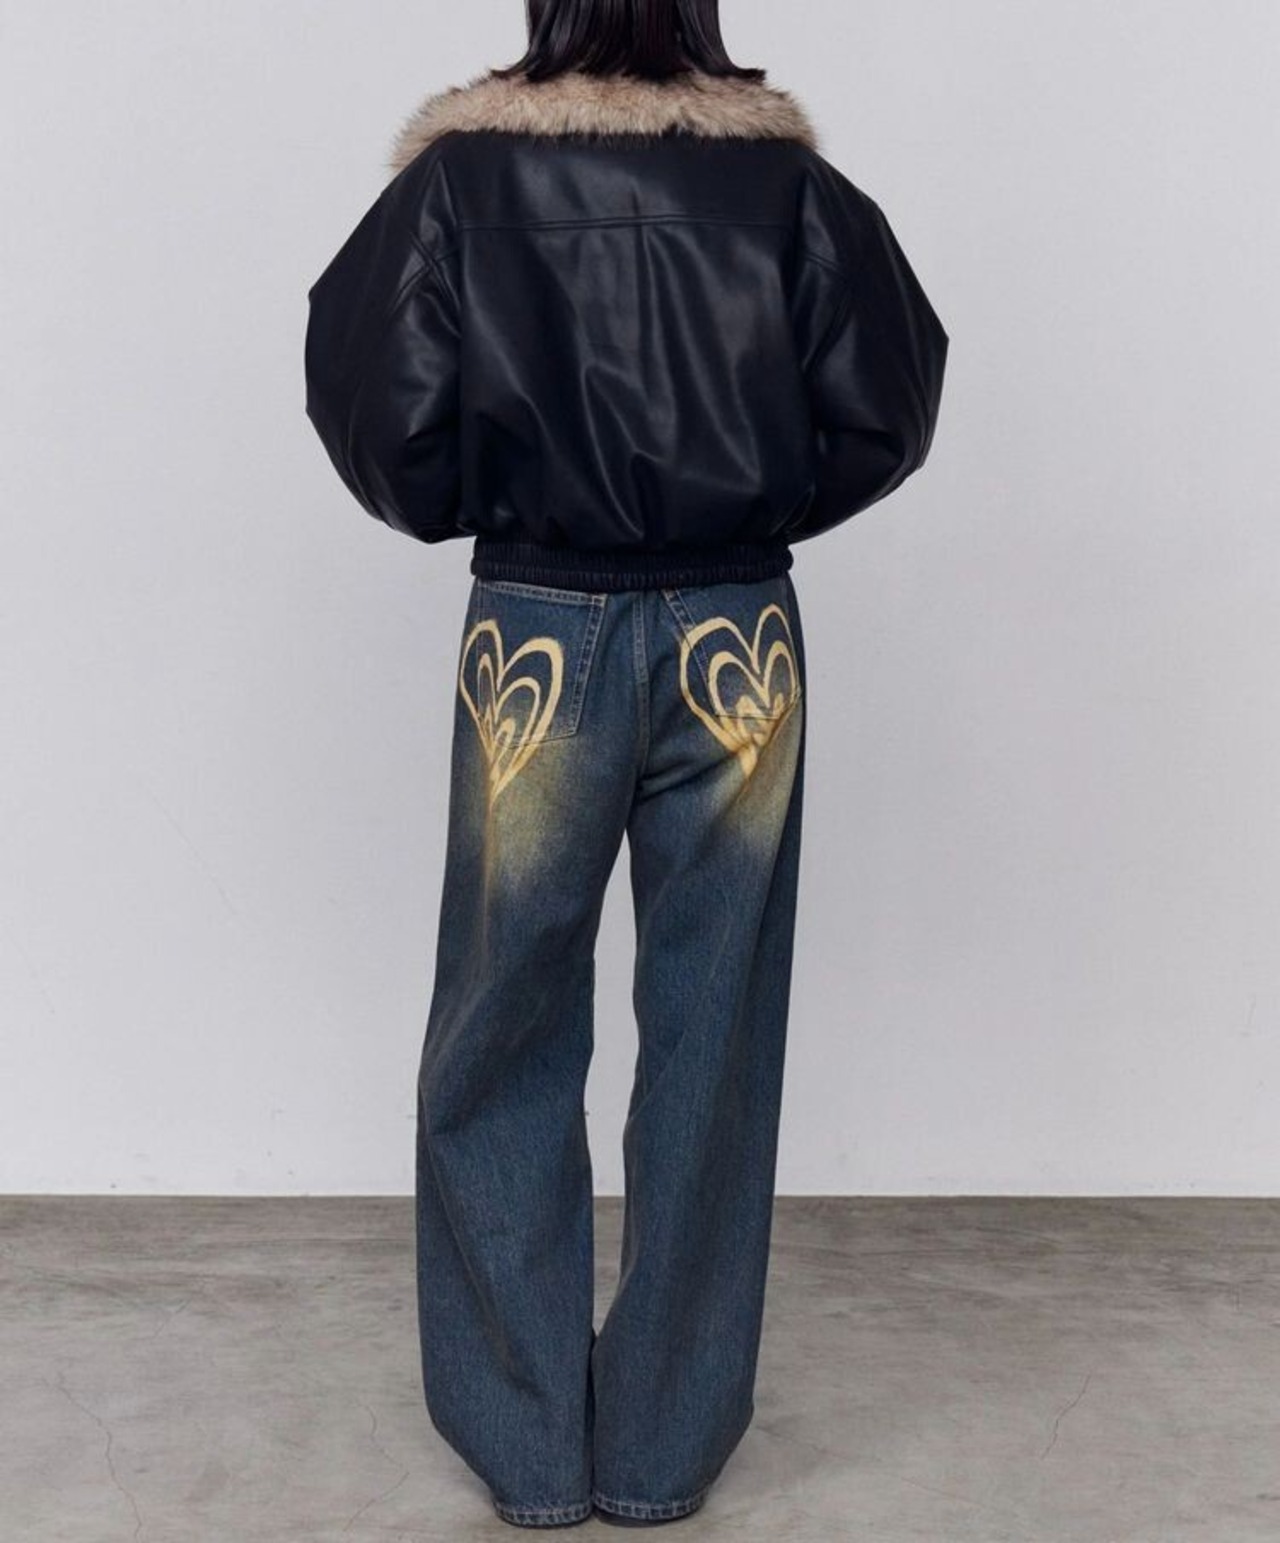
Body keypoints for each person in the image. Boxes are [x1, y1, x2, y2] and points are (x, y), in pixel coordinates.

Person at [303, 0, 948, 1528]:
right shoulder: (791, 188)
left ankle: (529, 1454)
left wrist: (502, 493)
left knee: (500, 1030)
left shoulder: (460, 183)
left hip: (537, 628)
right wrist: (749, 498)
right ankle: (662, 1454)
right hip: (742, 637)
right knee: (716, 1040)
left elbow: (376, 412)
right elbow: (891, 403)